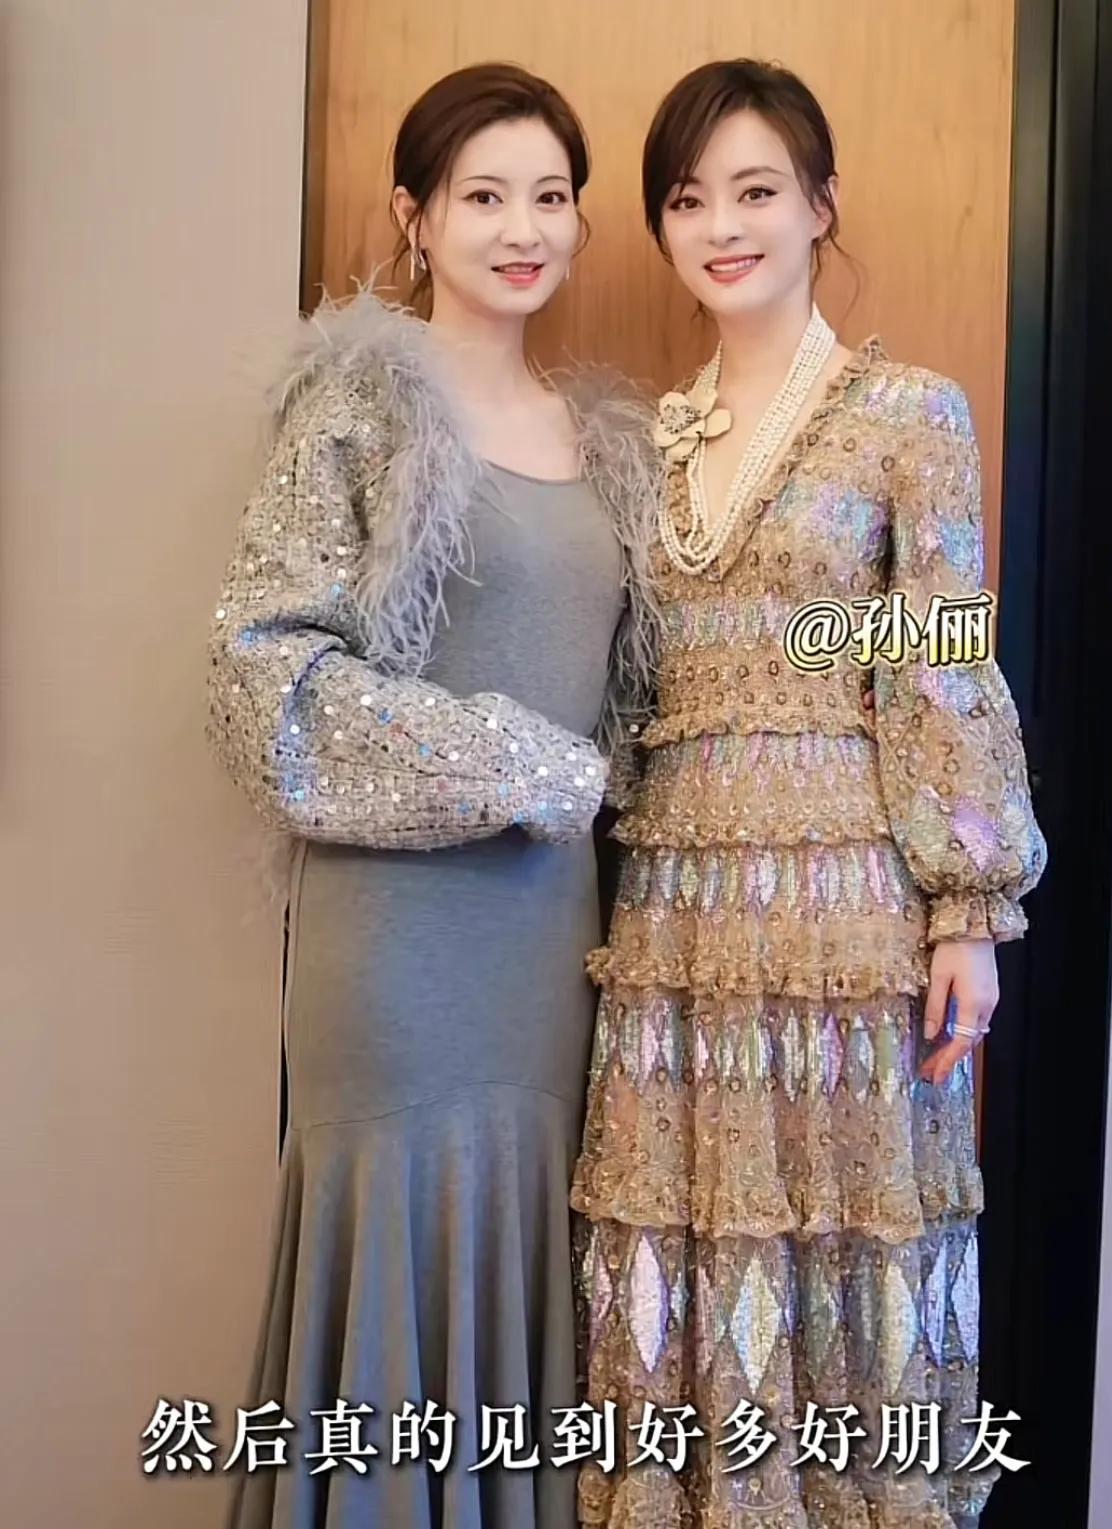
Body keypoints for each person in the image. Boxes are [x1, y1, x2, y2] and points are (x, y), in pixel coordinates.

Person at [570, 58, 1047, 1529]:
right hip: (671, 921)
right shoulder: (642, 445)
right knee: (680, 1262)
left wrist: (965, 910)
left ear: (821, 206)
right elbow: (623, 686)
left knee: (847, 1257)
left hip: (846, 909)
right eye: (687, 197)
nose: (721, 225)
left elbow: (933, 660)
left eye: (757, 190)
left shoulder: (906, 414)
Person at [207, 63, 660, 1529]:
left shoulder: (610, 444)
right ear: (414, 215)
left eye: (550, 197)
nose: (523, 229)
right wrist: (524, 764)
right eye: (484, 197)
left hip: (557, 956)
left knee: (526, 1267)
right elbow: (262, 679)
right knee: (407, 1265)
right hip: (403, 954)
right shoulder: (365, 401)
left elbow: (672, 688)